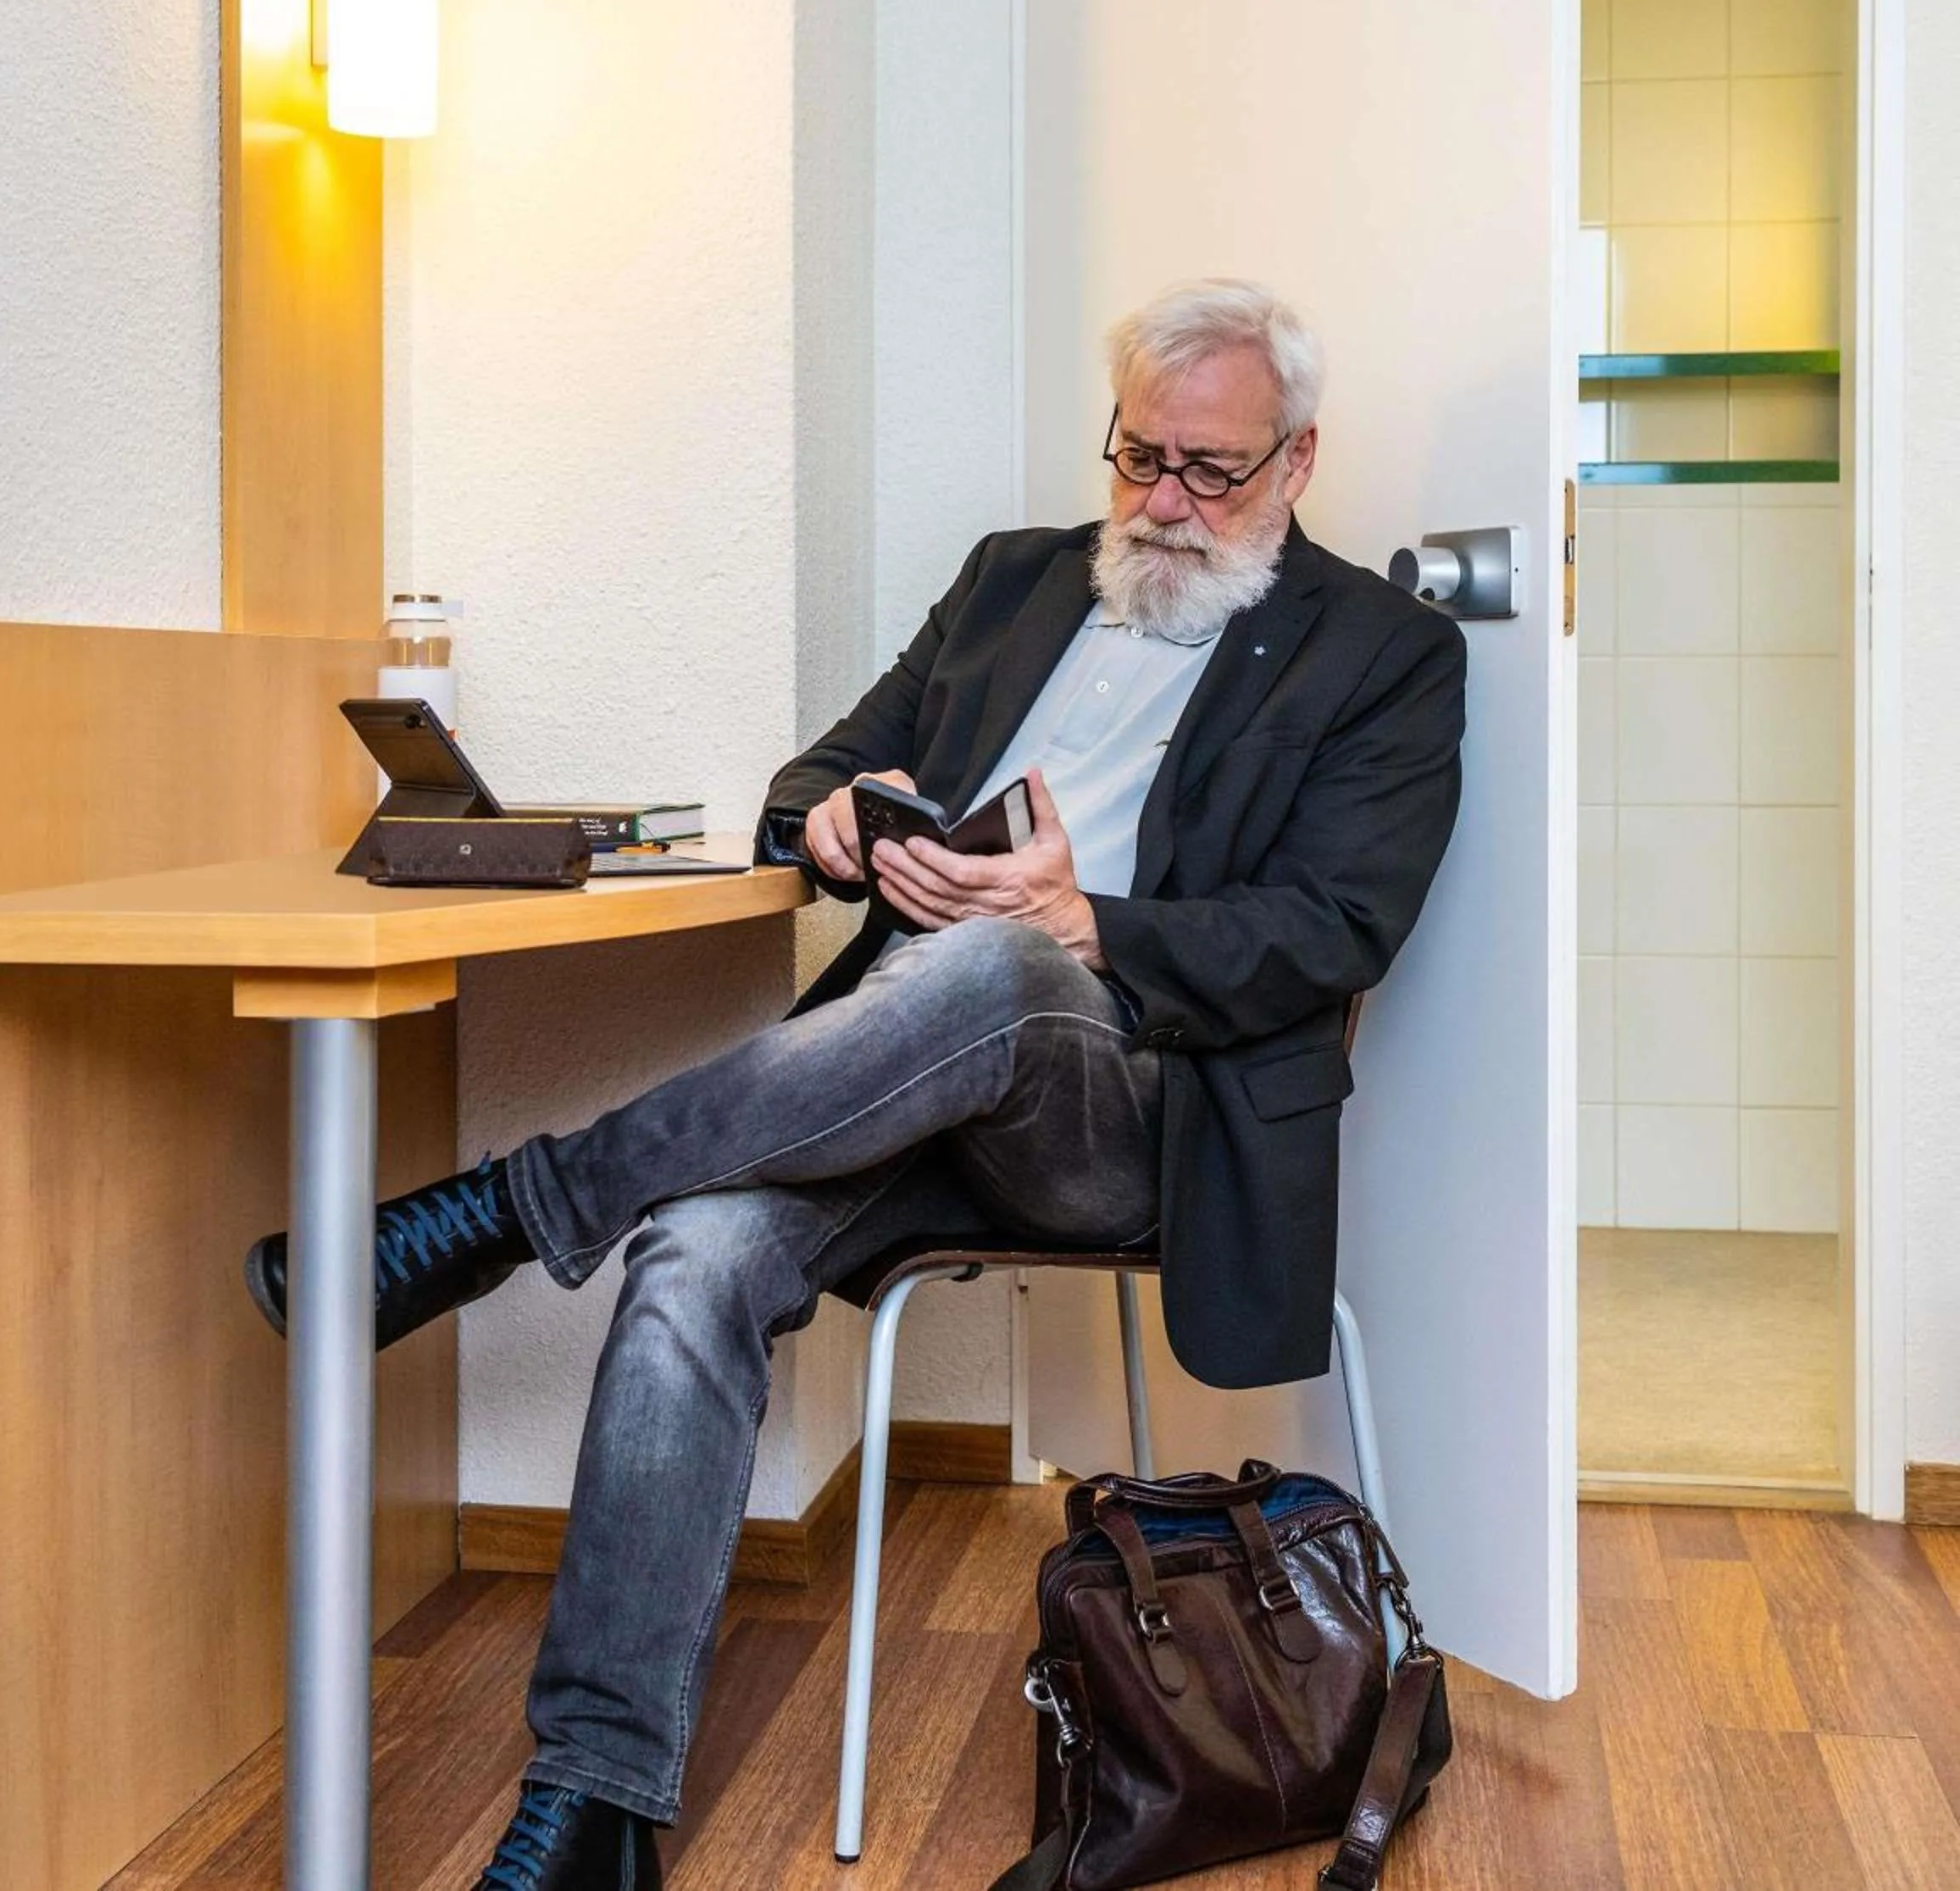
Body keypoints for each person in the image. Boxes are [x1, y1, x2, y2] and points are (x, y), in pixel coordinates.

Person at [244, 277, 1469, 1889]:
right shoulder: (1015, 581)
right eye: (1139, 456)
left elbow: (1337, 927)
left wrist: (1078, 917)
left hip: (1135, 1108)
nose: (1164, 501)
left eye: (1211, 470)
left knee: (999, 964)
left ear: (1297, 463)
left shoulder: (1384, 654)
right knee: (693, 1254)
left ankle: (508, 1210)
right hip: (895, 1088)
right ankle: (601, 1803)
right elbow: (821, 771)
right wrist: (829, 818)